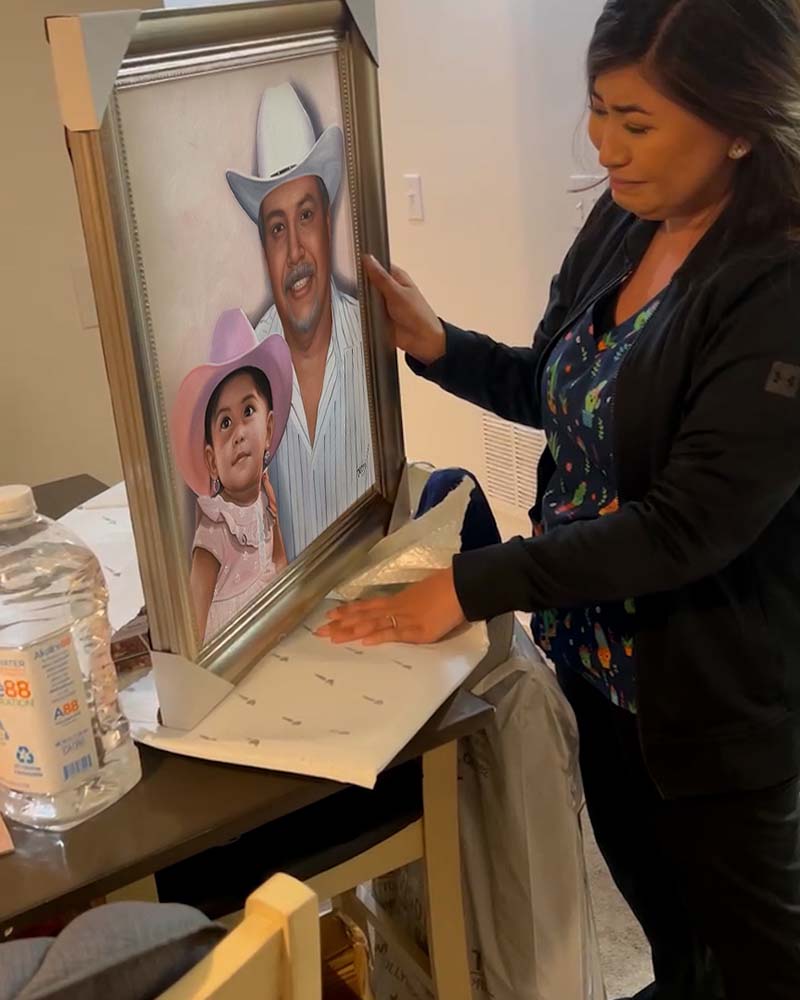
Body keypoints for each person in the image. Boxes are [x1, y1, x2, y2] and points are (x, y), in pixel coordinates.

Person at [318, 1, 800, 997]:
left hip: (713, 700)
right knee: (669, 926)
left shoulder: (776, 285)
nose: (602, 145)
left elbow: (687, 526)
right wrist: (442, 347)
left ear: (739, 127)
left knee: (756, 954)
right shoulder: (626, 220)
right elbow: (565, 390)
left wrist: (470, 584)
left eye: (636, 122)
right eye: (596, 109)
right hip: (596, 662)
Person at [226, 82, 373, 561]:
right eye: (276, 228)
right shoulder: (240, 374)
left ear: (328, 223)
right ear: (263, 249)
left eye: (305, 216)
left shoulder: (375, 345)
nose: (294, 252)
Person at [171, 308, 292, 642]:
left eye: (248, 411)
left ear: (269, 429)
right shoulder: (214, 530)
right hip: (232, 652)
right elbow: (193, 627)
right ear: (212, 461)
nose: (238, 433)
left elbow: (280, 561)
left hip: (272, 635)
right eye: (225, 422)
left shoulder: (266, 499)